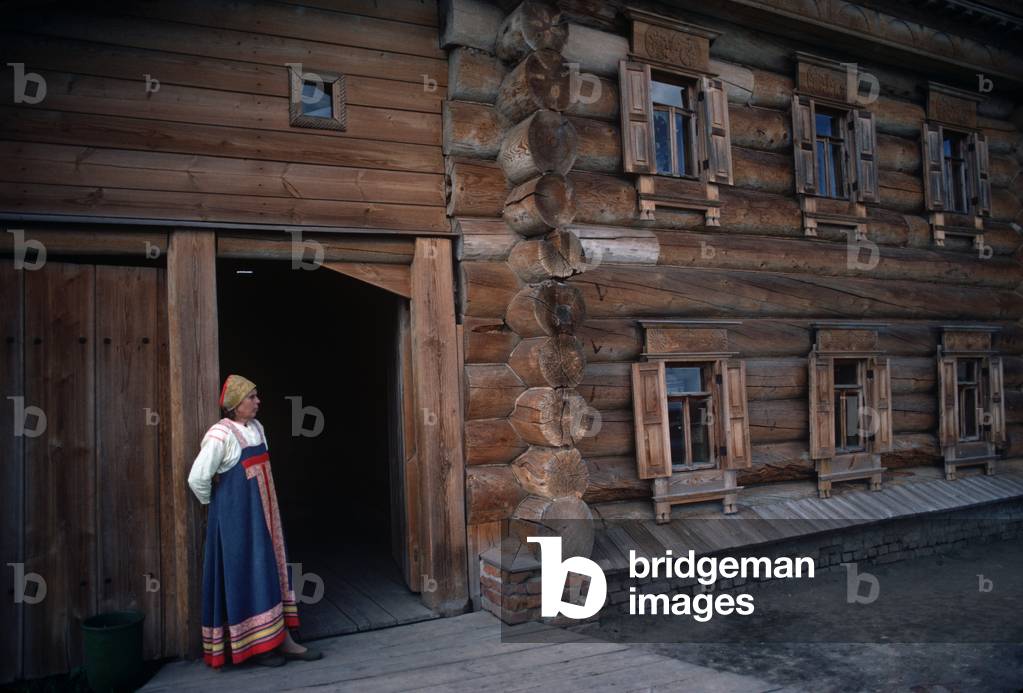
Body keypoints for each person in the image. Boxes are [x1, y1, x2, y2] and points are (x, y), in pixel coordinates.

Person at [188, 374, 322, 668]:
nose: (258, 401)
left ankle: (280, 640)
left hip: (264, 516)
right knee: (246, 574)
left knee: (270, 570)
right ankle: (256, 648)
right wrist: (221, 509)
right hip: (238, 521)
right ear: (236, 405)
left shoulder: (257, 429)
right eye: (252, 397)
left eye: (256, 396)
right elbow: (197, 478)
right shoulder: (220, 435)